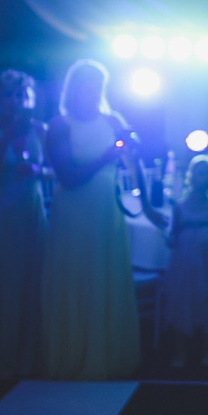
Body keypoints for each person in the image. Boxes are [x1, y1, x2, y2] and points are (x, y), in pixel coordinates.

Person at [39, 59, 166, 379]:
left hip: (105, 213)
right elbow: (67, 176)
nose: (93, 91)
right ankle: (71, 356)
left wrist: (147, 203)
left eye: (98, 85)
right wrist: (105, 157)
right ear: (74, 88)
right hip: (72, 213)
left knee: (103, 275)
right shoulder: (59, 125)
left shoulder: (112, 120)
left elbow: (132, 164)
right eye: (87, 85)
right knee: (75, 275)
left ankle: (106, 355)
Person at [0, 69, 48, 378]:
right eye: (9, 95)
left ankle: (28, 356)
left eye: (21, 95)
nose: (16, 101)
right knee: (2, 281)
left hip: (31, 208)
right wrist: (7, 137)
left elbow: (56, 169)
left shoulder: (41, 129)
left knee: (32, 278)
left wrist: (39, 170)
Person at [161, 154, 208, 367]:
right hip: (184, 258)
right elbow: (171, 236)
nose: (200, 178)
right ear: (191, 177)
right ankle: (180, 351)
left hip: (207, 258)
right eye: (198, 173)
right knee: (182, 299)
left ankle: (207, 350)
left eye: (206, 174)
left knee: (207, 300)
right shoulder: (179, 206)